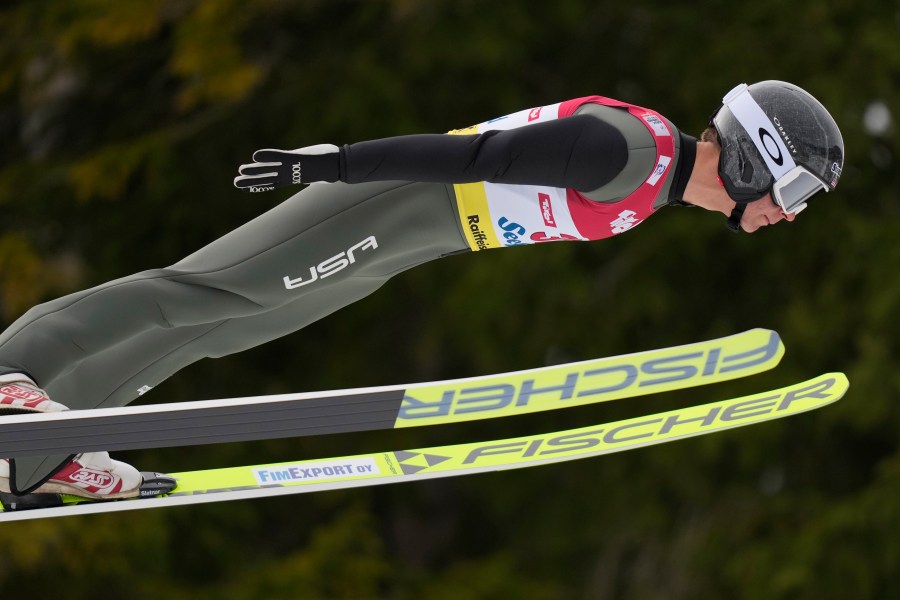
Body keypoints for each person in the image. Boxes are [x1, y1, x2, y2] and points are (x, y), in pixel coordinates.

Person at [0, 80, 844, 500]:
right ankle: (15, 371)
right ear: (753, 156)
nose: (791, 215)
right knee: (201, 292)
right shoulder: (627, 151)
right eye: (797, 193)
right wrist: (332, 164)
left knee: (219, 329)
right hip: (388, 204)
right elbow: (468, 157)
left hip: (404, 244)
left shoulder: (651, 191)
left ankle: (41, 452)